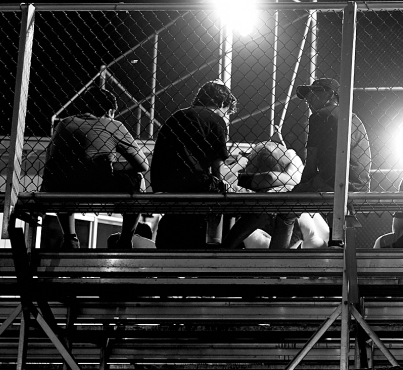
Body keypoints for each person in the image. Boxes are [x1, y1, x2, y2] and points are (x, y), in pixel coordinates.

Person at [40, 86, 149, 250]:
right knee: (137, 179)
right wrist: (112, 165)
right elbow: (143, 165)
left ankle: (70, 238)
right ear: (110, 110)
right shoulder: (113, 125)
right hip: (99, 185)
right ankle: (126, 239)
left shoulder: (64, 123)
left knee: (59, 173)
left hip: (61, 188)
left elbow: (51, 161)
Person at [269, 78, 372, 248]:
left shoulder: (319, 116)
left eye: (314, 92)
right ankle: (335, 245)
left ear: (331, 94)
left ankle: (275, 263)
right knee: (331, 216)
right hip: (358, 184)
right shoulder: (353, 117)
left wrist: (301, 189)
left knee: (286, 209)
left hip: (334, 182)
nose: (309, 97)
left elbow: (310, 164)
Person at [151, 80, 238, 248]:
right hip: (197, 185)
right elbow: (218, 170)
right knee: (233, 193)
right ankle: (221, 247)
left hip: (164, 184)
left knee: (175, 227)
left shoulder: (176, 116)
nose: (226, 118)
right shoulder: (216, 120)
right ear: (221, 103)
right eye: (227, 113)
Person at [221, 140, 304, 249]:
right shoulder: (292, 181)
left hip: (285, 237)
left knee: (259, 212)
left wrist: (239, 167)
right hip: (295, 239)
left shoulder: (275, 183)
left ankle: (224, 250)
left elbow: (269, 178)